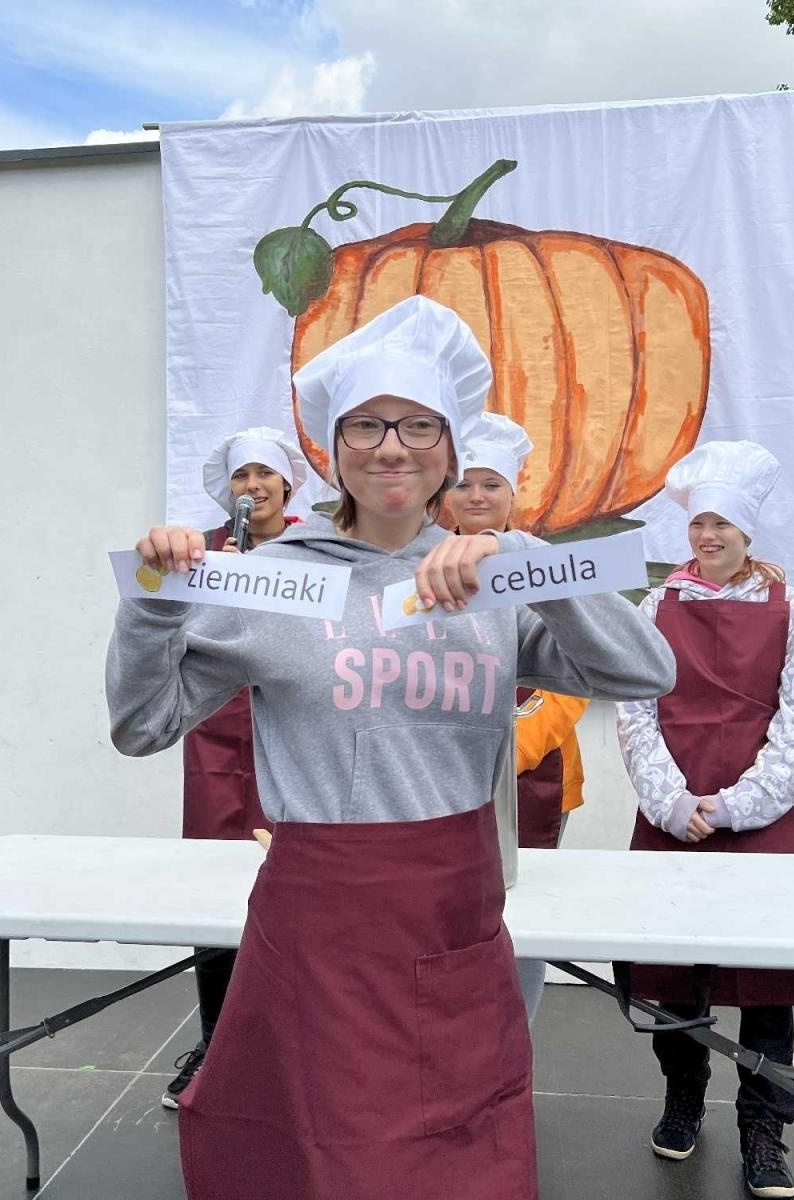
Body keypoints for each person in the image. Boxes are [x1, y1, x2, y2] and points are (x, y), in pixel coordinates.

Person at [107, 295, 676, 1200]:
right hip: (315, 921)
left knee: (459, 1147)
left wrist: (526, 561)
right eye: (367, 426)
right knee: (322, 1151)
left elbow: (648, 671)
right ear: (334, 451)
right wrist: (150, 606)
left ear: (452, 448)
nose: (392, 446)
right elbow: (142, 725)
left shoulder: (491, 577)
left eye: (419, 426)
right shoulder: (275, 581)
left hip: (452, 911)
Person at [616, 440, 794, 1200]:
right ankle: (682, 1094)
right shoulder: (656, 605)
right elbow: (636, 709)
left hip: (762, 816)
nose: (707, 537)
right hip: (674, 812)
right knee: (677, 976)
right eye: (699, 524)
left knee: (766, 985)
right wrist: (671, 801)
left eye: (722, 526)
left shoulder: (791, 608)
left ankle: (764, 1131)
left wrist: (740, 803)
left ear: (748, 533)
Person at [162, 426, 307, 1109]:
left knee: (299, 884)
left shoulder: (318, 549)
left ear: (288, 483)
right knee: (212, 888)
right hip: (220, 736)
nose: (253, 487)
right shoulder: (202, 553)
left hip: (301, 730)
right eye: (241, 477)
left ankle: (295, 1043)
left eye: (264, 475)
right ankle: (215, 1037)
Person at [445, 411, 589, 1024]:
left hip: (532, 776)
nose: (477, 497)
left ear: (513, 494)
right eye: (466, 483)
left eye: (491, 485)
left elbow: (570, 681)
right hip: (440, 776)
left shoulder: (541, 566)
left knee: (523, 925)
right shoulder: (420, 566)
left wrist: (498, 748)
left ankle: (516, 1049)